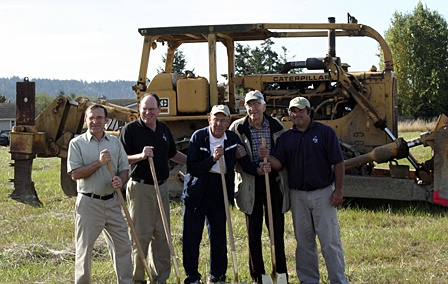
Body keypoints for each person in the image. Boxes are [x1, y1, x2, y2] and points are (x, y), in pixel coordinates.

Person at [262, 96, 348, 284]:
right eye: (293, 111)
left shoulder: (325, 133)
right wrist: (267, 157)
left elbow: (338, 163)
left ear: (309, 112)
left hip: (323, 194)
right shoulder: (286, 138)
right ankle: (308, 280)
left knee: (330, 242)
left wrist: (338, 190)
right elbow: (279, 163)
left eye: (301, 110)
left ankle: (339, 280)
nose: (297, 114)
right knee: (304, 243)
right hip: (298, 196)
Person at [181, 105, 256, 284]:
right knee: (191, 237)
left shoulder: (231, 138)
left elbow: (243, 162)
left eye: (223, 120)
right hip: (197, 190)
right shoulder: (198, 137)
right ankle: (192, 277)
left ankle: (218, 276)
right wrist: (212, 159)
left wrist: (256, 166)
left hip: (219, 189)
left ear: (228, 122)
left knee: (219, 236)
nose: (219, 124)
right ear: (209, 119)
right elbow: (193, 167)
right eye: (216, 119)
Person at [119, 93, 187, 284]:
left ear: (159, 110)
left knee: (162, 234)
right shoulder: (130, 130)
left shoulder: (163, 129)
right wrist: (140, 156)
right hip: (141, 188)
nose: (148, 112)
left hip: (162, 187)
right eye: (144, 109)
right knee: (140, 235)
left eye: (152, 109)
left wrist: (194, 161)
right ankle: (137, 278)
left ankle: (159, 278)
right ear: (139, 109)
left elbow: (172, 154)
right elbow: (121, 159)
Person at [67, 104, 133, 284]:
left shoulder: (115, 143)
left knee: (123, 246)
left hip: (112, 202)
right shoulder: (77, 144)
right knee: (84, 249)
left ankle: (126, 281)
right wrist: (99, 163)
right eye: (92, 118)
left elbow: (124, 169)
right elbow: (75, 174)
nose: (95, 121)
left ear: (107, 121)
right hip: (89, 203)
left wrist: (120, 180)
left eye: (99, 118)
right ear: (85, 120)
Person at [229, 90, 289, 283]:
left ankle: (280, 272)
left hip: (273, 180)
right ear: (245, 107)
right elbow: (235, 156)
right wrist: (253, 166)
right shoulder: (237, 128)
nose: (253, 108)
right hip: (250, 181)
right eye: (249, 105)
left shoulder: (276, 126)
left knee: (276, 229)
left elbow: (283, 153)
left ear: (264, 106)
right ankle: (258, 275)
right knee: (253, 230)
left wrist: (270, 160)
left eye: (257, 104)